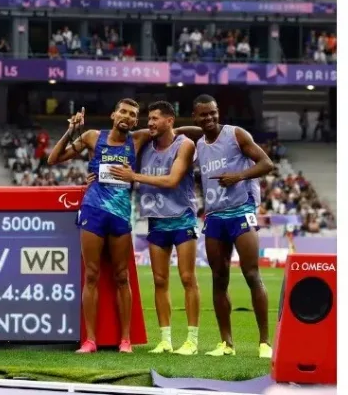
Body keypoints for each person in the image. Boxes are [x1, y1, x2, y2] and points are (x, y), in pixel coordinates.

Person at [48, 99, 201, 354]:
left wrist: (199, 127)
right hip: (93, 210)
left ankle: (126, 340)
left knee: (122, 276)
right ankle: (90, 340)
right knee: (92, 275)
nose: (127, 117)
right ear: (113, 113)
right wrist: (71, 129)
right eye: (123, 112)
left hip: (120, 214)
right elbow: (54, 158)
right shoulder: (92, 137)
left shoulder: (139, 138)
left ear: (135, 121)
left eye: (133, 115)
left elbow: (176, 132)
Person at [108, 101, 200, 356]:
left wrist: (135, 177)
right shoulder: (144, 147)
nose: (149, 123)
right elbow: (118, 161)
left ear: (170, 121)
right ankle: (165, 339)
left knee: (187, 278)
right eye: (148, 118)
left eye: (155, 118)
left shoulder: (185, 145)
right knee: (159, 281)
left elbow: (171, 180)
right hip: (156, 220)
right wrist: (99, 175)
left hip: (182, 217)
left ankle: (192, 340)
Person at [191, 94, 274, 358]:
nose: (210, 117)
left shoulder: (236, 134)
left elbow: (267, 164)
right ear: (196, 117)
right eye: (204, 114)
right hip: (214, 216)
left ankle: (264, 342)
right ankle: (226, 344)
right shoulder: (199, 145)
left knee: (251, 274)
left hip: (241, 211)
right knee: (218, 279)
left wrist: (239, 175)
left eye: (213, 112)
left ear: (218, 112)